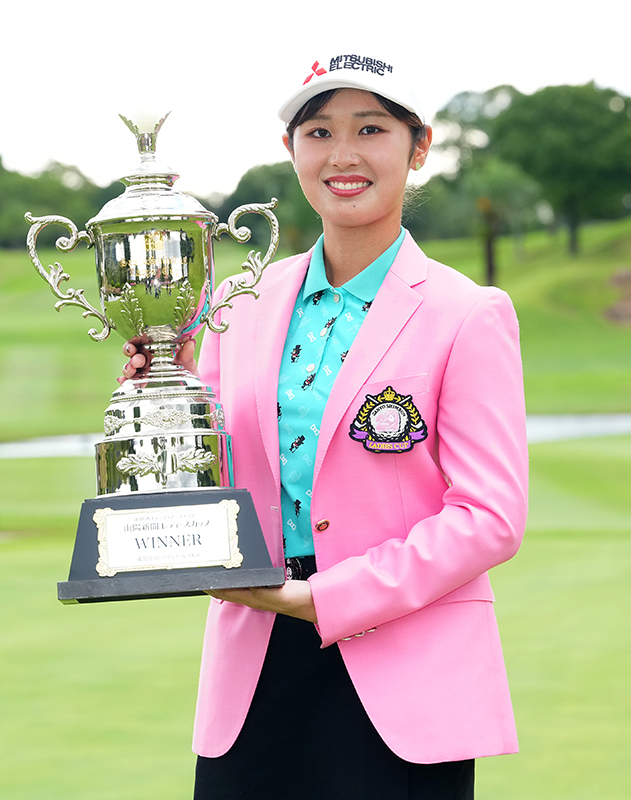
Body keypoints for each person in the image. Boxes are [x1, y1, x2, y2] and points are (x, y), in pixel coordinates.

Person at [119, 53, 529, 799]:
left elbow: (489, 517)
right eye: (318, 130)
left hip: (403, 676)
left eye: (371, 128)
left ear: (419, 146)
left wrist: (329, 597)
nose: (343, 154)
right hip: (256, 668)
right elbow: (213, 480)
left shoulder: (467, 314)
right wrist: (165, 394)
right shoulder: (239, 303)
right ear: (292, 150)